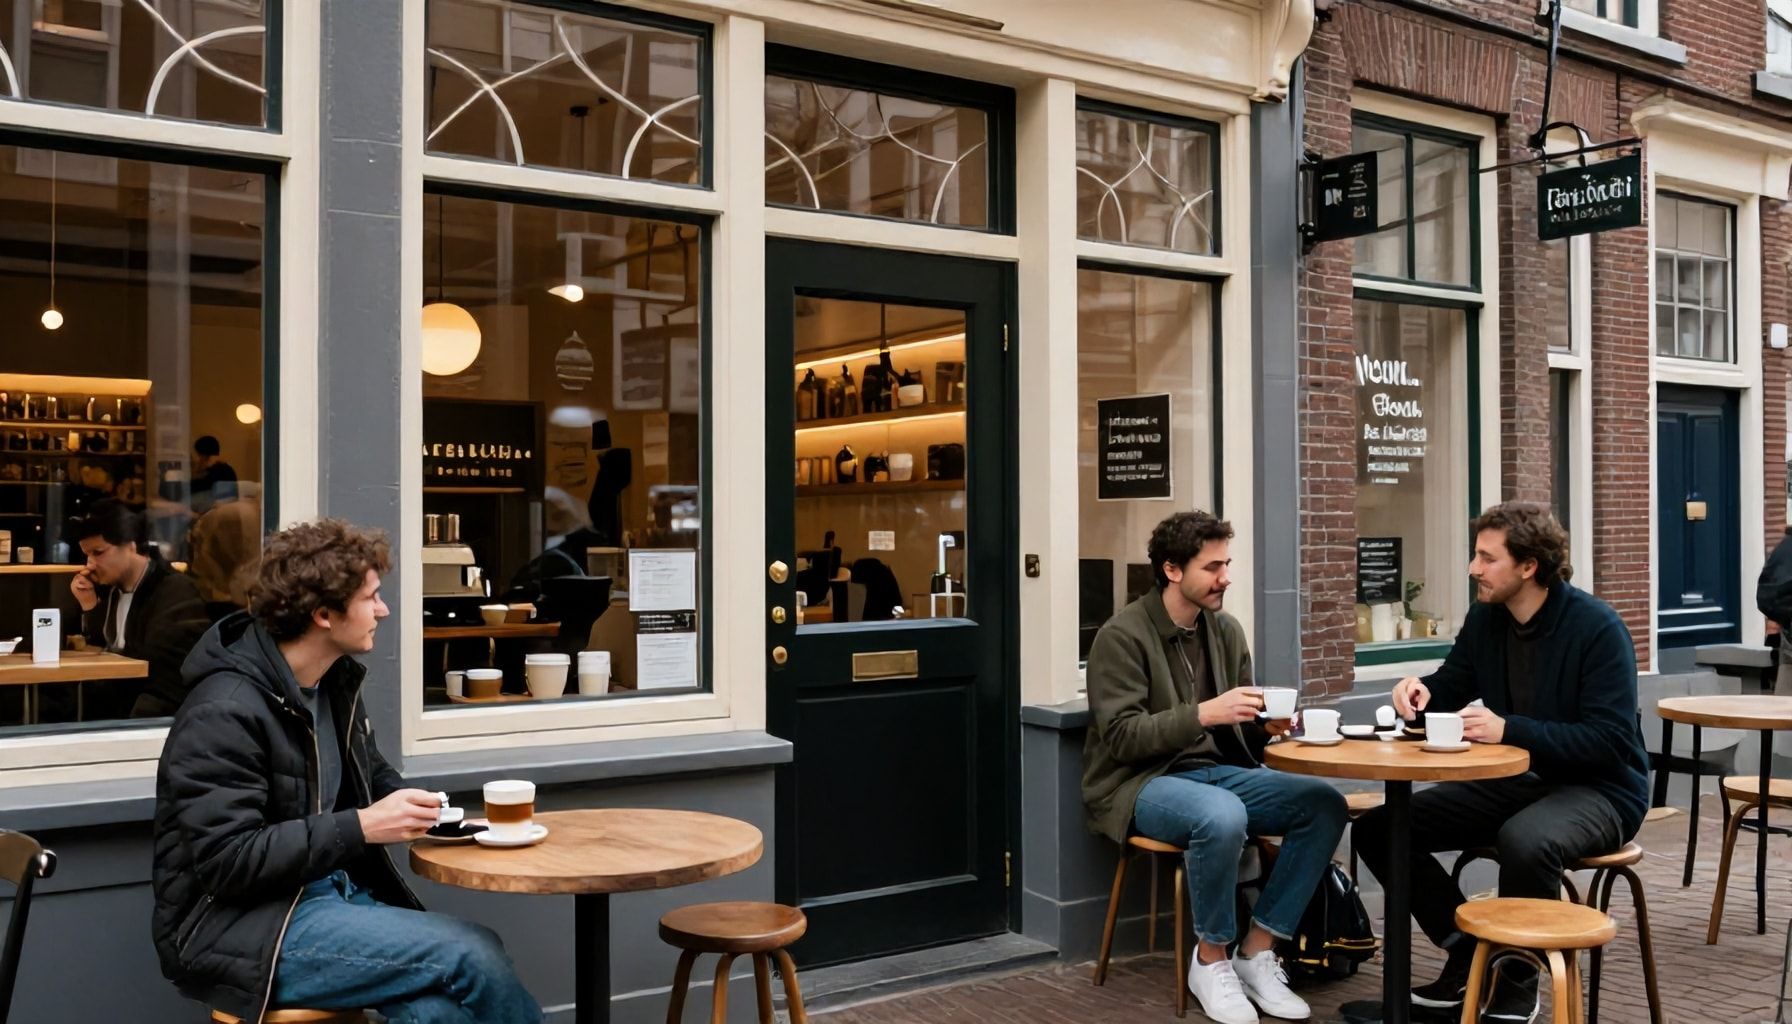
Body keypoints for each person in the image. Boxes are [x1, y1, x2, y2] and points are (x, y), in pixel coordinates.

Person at [151, 519, 541, 1023]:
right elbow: (228, 862)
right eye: (371, 598)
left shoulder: (330, 683)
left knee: (438, 1007)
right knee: (472, 953)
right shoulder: (223, 711)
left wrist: (430, 811)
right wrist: (363, 827)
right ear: (323, 615)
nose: (384, 609)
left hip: (325, 894)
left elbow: (368, 774)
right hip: (236, 925)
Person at [1351, 502, 1650, 1022]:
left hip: (1603, 790)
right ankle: (1467, 952)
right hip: (1519, 780)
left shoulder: (1597, 629)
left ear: (1529, 566)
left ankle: (1515, 987)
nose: (1473, 568)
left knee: (1526, 840)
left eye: (1487, 558)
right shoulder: (1487, 619)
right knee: (1382, 829)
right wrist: (1419, 691)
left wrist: (1511, 730)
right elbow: (1453, 682)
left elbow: (1610, 740)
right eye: (1475, 555)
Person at [1082, 510, 1348, 1024]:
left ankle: (1258, 951)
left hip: (1219, 772)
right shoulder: (1121, 636)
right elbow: (1120, 738)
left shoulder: (1225, 631)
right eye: (1213, 566)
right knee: (1221, 815)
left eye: (1227, 563)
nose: (1226, 577)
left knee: (1323, 804)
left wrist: (1264, 726)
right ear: (1172, 570)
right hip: (1142, 782)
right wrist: (1205, 712)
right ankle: (1210, 960)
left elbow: (1236, 729)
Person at [69, 499, 209, 718]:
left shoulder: (174, 592)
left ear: (131, 546)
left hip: (149, 715)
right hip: (115, 707)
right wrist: (89, 605)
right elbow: (102, 647)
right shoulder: (108, 588)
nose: (89, 564)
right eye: (86, 555)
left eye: (98, 552)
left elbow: (160, 672)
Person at [190, 435, 239, 514]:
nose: (195, 460)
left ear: (202, 456)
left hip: (219, 512)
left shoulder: (218, 469)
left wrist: (196, 472)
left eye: (197, 455)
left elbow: (194, 488)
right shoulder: (227, 468)